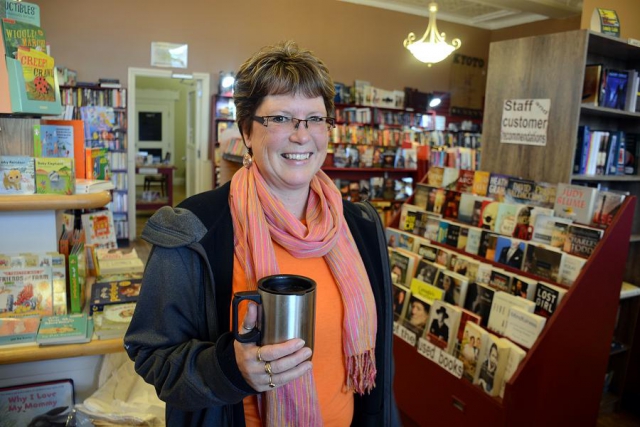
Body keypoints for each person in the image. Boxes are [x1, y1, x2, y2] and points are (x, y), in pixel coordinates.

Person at [124, 41, 399, 426]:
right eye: (281, 118)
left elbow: (378, 365)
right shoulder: (193, 228)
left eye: (315, 119)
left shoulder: (360, 227)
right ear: (246, 132)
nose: (302, 136)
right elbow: (153, 354)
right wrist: (228, 369)